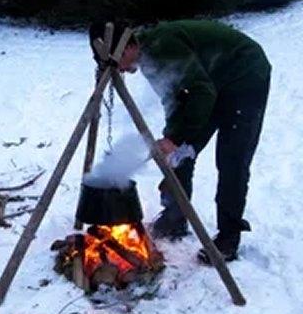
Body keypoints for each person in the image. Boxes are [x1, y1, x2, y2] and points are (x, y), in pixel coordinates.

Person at [89, 20, 271, 264]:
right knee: (179, 154)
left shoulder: (163, 47)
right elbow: (175, 100)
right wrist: (173, 137)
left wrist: (174, 137)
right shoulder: (148, 60)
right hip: (209, 84)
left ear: (129, 46)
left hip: (244, 75)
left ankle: (229, 236)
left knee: (232, 160)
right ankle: (175, 217)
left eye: (117, 61)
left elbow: (201, 93)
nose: (119, 70)